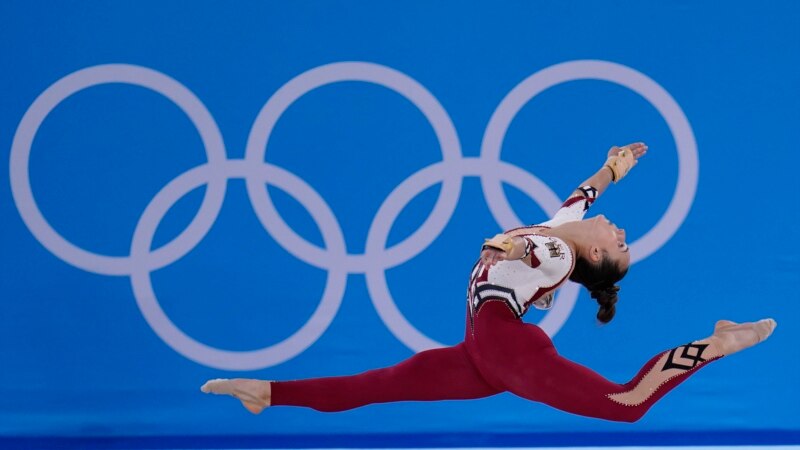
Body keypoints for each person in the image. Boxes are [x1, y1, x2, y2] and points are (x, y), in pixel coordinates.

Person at [201, 142, 776, 422]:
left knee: (626, 403)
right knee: (374, 385)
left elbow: (535, 249)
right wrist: (614, 167)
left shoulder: (552, 248)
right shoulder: (564, 230)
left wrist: (507, 245)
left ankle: (719, 342)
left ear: (595, 252)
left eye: (621, 242)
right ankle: (267, 392)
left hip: (506, 347)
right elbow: (582, 197)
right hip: (483, 351)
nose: (621, 229)